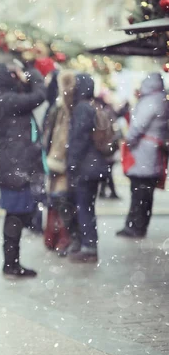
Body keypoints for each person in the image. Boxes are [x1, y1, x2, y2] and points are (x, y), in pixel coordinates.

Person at [0, 62, 46, 278]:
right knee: (15, 215)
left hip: (14, 165)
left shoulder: (1, 98)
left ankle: (11, 263)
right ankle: (11, 265)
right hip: (15, 167)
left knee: (18, 213)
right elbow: (38, 96)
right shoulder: (5, 100)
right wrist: (31, 74)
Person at [116, 73, 169, 238]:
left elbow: (137, 126)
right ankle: (139, 225)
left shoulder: (151, 101)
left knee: (139, 192)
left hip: (144, 153)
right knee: (145, 193)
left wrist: (129, 141)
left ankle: (135, 226)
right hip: (153, 152)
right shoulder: (162, 100)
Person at [66, 73, 108, 263]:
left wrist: (72, 164)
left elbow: (78, 140)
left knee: (84, 207)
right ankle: (89, 245)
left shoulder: (82, 109)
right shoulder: (93, 105)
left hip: (86, 167)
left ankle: (89, 247)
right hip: (95, 164)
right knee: (87, 206)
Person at [42, 70, 79, 256]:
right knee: (61, 201)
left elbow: (55, 137)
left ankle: (64, 239)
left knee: (62, 200)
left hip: (62, 160)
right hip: (60, 160)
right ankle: (61, 238)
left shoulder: (65, 109)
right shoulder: (60, 108)